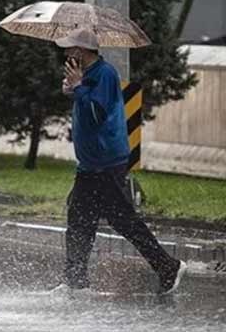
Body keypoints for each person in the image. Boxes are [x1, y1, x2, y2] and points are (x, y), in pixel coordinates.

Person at [54, 27, 185, 295]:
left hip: (105, 162)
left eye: (69, 48)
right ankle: (76, 281)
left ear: (81, 50)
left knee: (121, 220)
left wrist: (78, 88)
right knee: (80, 219)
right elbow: (85, 103)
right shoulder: (87, 74)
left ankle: (168, 266)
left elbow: (96, 115)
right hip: (91, 163)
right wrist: (72, 89)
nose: (66, 52)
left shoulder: (104, 74)